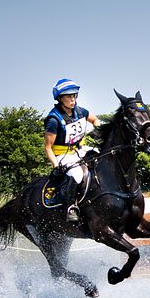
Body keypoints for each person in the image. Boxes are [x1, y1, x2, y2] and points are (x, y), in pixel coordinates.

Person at [45, 78, 99, 222]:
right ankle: (71, 207)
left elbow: (95, 120)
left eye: (74, 95)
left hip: (78, 150)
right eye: (69, 96)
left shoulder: (79, 111)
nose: (72, 99)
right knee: (77, 175)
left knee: (102, 157)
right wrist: (56, 165)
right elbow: (48, 147)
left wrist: (97, 127)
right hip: (63, 155)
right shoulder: (54, 120)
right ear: (60, 98)